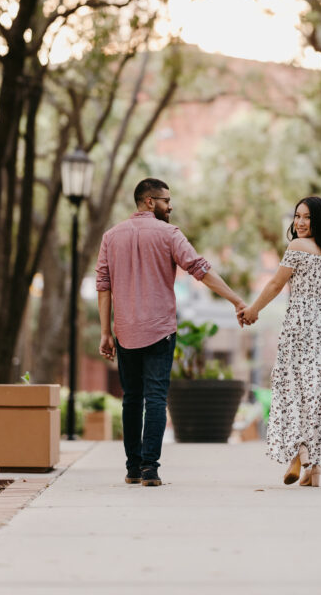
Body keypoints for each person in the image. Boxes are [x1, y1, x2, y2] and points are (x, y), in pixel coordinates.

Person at [96, 177, 247, 487]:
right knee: (155, 398)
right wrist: (237, 300)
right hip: (160, 330)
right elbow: (200, 270)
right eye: (166, 200)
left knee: (131, 400)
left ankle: (133, 468)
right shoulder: (169, 234)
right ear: (150, 201)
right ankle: (150, 469)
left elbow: (103, 285)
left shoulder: (111, 237)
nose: (170, 205)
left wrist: (105, 332)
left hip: (125, 331)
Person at [239, 195, 321, 488]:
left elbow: (275, 284)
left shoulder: (297, 247)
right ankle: (315, 469)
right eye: (297, 216)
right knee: (320, 399)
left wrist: (252, 311)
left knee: (296, 392)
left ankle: (300, 453)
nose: (299, 222)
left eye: (307, 217)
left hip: (302, 326)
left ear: (319, 220)